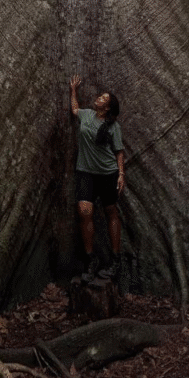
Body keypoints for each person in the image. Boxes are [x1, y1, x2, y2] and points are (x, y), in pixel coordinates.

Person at [69, 74, 125, 281]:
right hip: (85, 172)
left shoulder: (113, 127)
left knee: (111, 213)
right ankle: (90, 259)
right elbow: (74, 110)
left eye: (103, 99)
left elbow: (119, 151)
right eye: (100, 96)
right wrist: (73, 91)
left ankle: (115, 259)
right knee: (85, 212)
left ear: (108, 107)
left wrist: (121, 174)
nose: (99, 99)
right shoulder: (86, 115)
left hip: (108, 174)